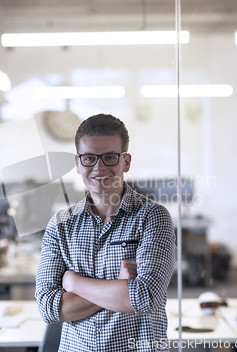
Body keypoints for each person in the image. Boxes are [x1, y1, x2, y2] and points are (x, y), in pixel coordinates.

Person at [35, 114, 176, 351]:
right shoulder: (60, 225)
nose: (99, 168)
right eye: (89, 158)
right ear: (78, 164)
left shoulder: (153, 217)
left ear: (126, 162)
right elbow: (49, 308)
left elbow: (144, 297)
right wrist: (118, 286)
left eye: (110, 157)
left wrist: (74, 282)